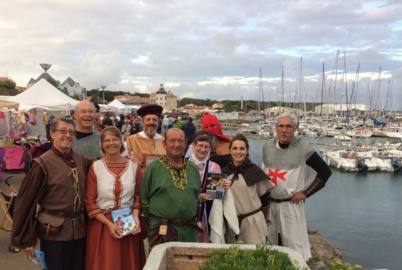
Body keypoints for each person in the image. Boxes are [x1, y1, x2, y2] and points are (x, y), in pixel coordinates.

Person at [11, 116, 91, 270]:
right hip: (53, 232)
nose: (67, 135)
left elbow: (101, 172)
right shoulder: (42, 164)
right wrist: (27, 239)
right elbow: (25, 202)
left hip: (79, 231)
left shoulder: (81, 159)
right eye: (63, 131)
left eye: (71, 132)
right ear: (52, 133)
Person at [261, 113, 332, 261]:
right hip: (271, 204)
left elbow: (325, 171)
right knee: (270, 243)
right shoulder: (268, 146)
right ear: (276, 128)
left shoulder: (303, 148)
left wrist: (306, 193)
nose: (284, 130)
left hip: (291, 204)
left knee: (294, 244)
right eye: (281, 126)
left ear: (295, 129)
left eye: (288, 126)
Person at [85, 126, 145, 270]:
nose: (111, 143)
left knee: (128, 262)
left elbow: (138, 196)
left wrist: (136, 217)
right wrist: (109, 224)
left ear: (121, 142)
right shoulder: (96, 167)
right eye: (107, 140)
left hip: (127, 220)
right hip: (103, 225)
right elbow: (89, 202)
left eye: (114, 139)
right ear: (102, 144)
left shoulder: (134, 166)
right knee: (106, 263)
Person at [140, 128, 201, 246]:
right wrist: (154, 222)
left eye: (180, 141)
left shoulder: (193, 168)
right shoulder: (153, 168)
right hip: (162, 231)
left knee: (188, 263)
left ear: (186, 143)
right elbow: (144, 199)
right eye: (172, 141)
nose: (177, 145)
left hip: (189, 232)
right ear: (164, 143)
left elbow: (195, 196)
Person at [221, 133, 274, 244]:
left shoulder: (254, 171)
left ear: (247, 150)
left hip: (253, 223)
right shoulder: (224, 173)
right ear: (230, 150)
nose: (238, 152)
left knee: (254, 256)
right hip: (231, 223)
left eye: (242, 148)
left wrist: (263, 221)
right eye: (234, 148)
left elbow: (265, 200)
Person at [187, 131, 221, 242]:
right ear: (193, 145)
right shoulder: (183, 165)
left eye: (206, 146)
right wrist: (197, 196)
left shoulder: (214, 167)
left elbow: (216, 195)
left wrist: (222, 188)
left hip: (206, 214)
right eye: (200, 145)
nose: (203, 149)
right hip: (186, 211)